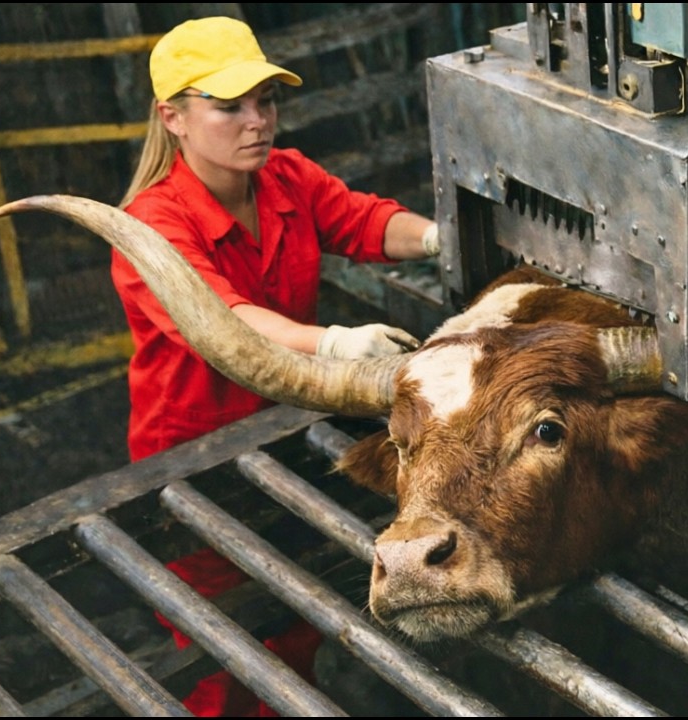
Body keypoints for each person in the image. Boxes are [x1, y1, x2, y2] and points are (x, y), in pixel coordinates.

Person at [113, 16, 438, 716]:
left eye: (266, 101)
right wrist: (332, 344)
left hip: (287, 440)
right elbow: (222, 321)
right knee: (221, 646)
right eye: (229, 106)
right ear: (173, 117)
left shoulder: (286, 177)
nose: (256, 121)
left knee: (299, 611)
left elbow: (364, 220)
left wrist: (440, 235)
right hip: (195, 469)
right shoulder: (150, 228)